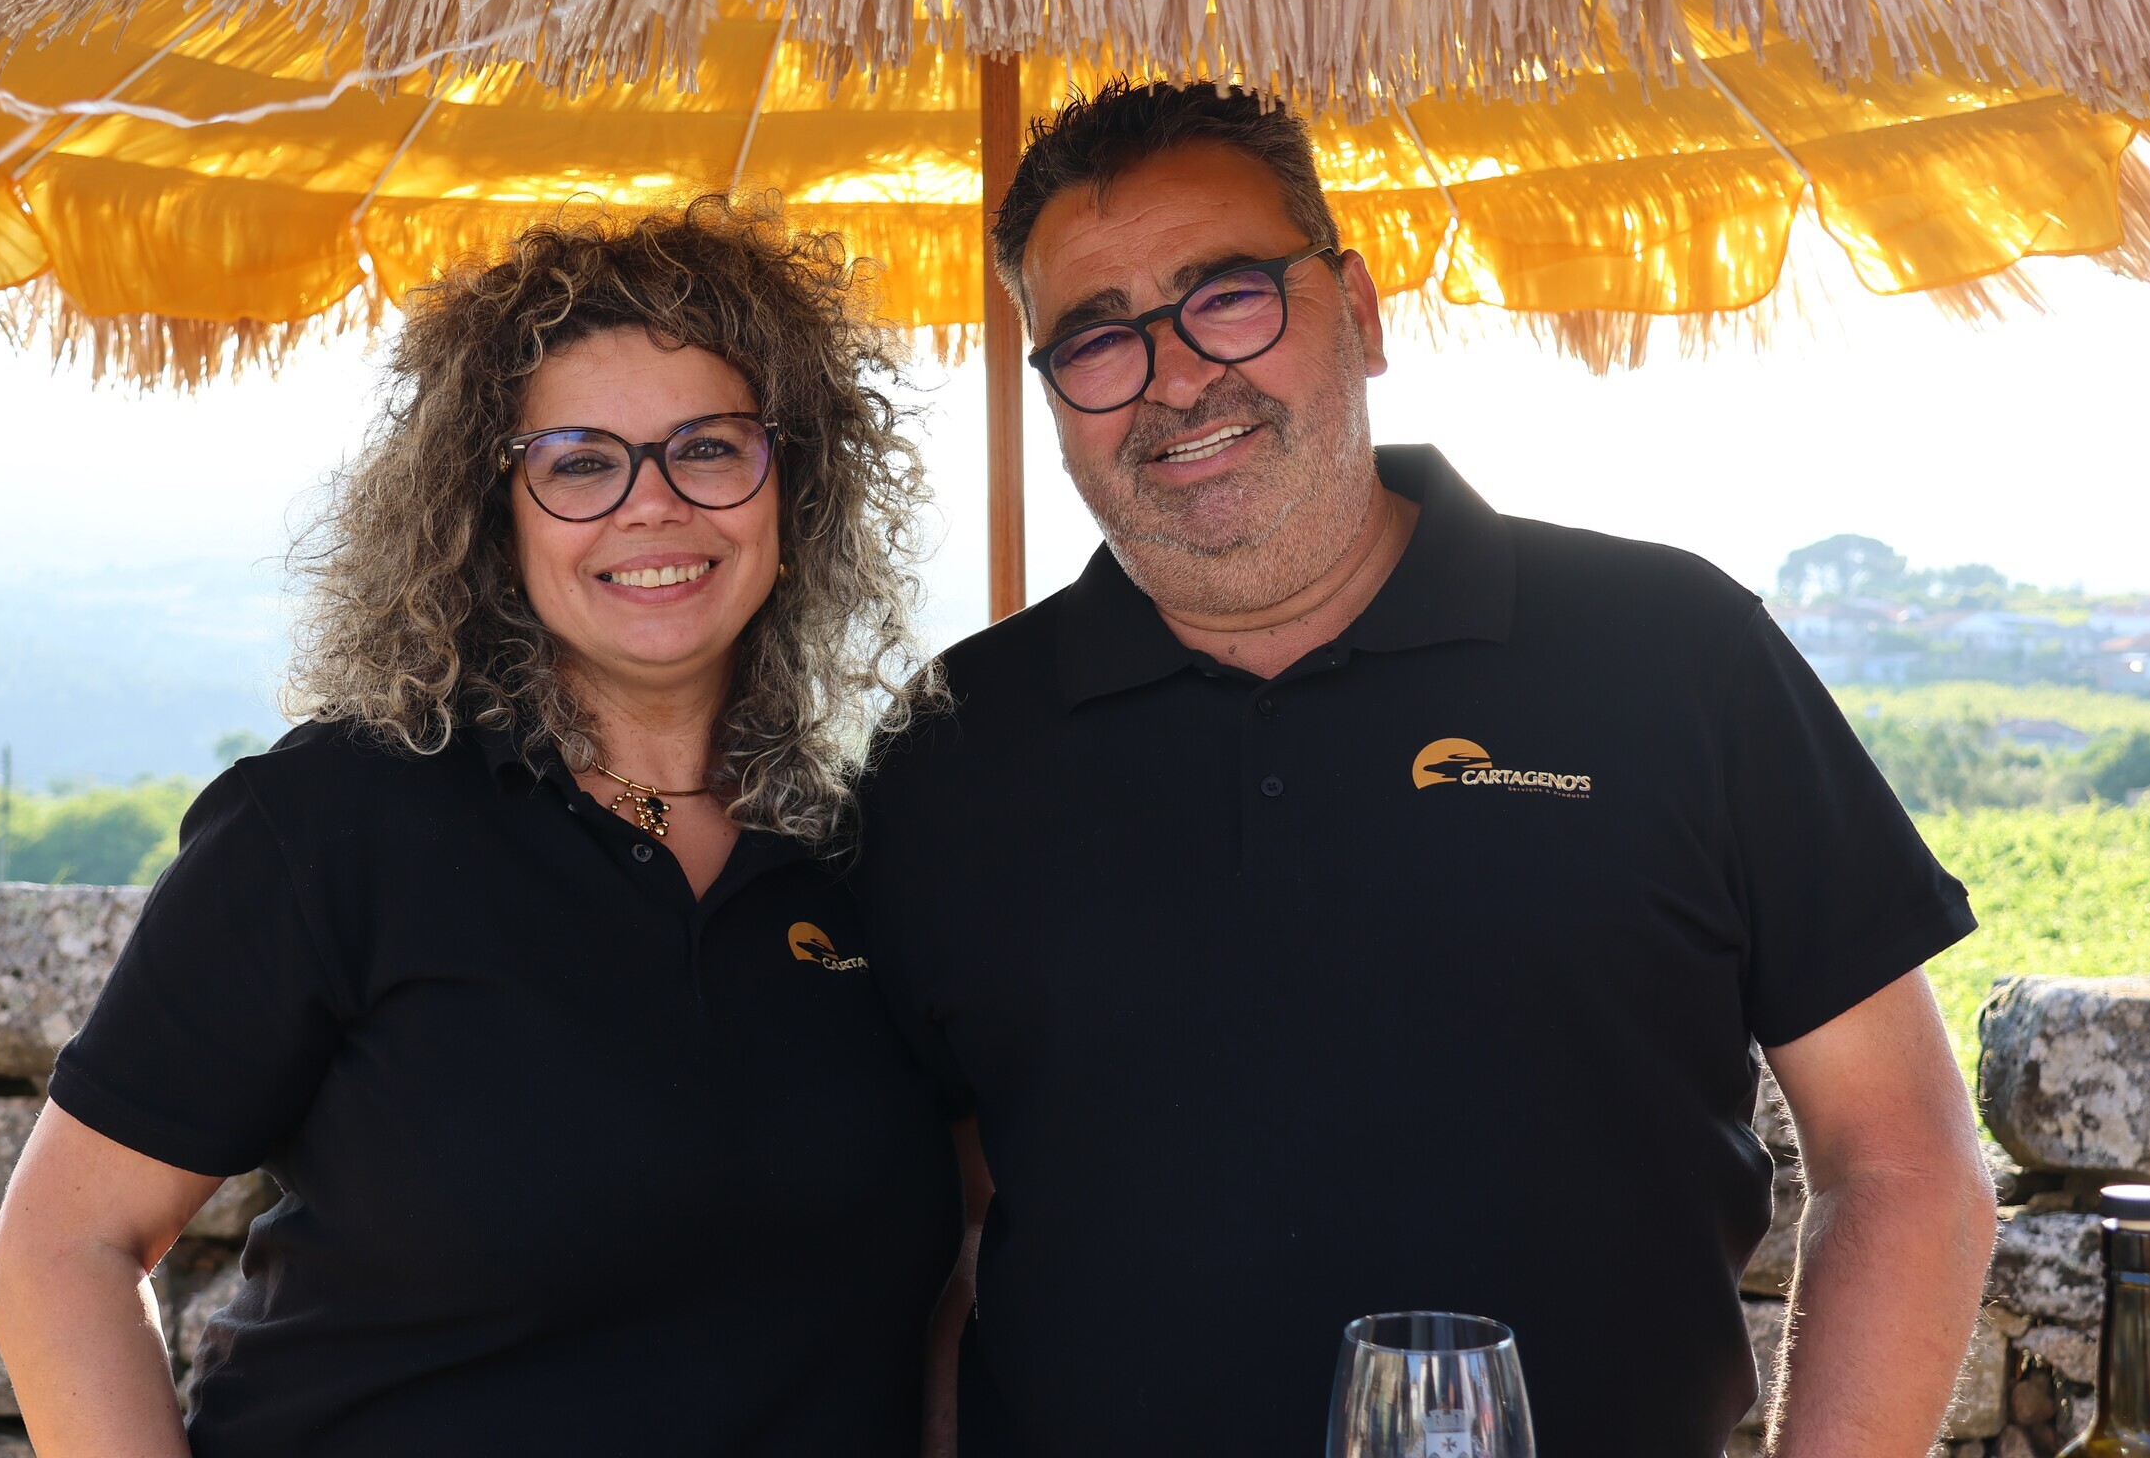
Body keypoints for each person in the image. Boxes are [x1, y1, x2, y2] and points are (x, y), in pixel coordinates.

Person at [854, 82, 1999, 1458]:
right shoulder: (955, 744)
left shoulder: (1671, 653)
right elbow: (949, 1231)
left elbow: (1902, 1162)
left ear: (1359, 310)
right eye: (1098, 338)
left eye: (1229, 298)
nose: (1174, 376)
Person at [0, 197, 962, 1457]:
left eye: (710, 448)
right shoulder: (334, 824)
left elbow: (953, 1274)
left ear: (796, 483)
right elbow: (61, 1247)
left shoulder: (868, 852)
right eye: (580, 461)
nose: (653, 505)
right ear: (489, 510)